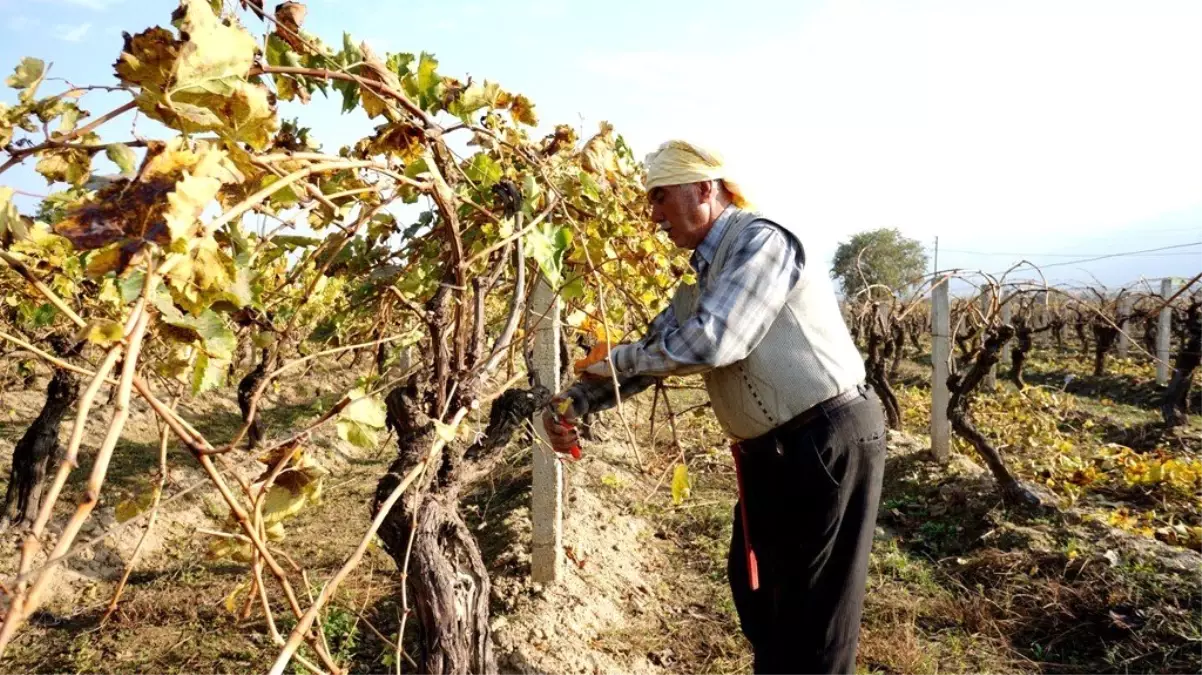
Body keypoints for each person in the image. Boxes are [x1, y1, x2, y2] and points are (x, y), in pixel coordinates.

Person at [542, 140, 887, 674]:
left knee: (816, 616)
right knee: (759, 598)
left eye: (660, 199)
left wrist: (616, 359)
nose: (653, 216)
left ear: (705, 188)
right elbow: (654, 353)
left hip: (827, 437)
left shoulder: (761, 242)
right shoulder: (703, 272)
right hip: (773, 451)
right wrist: (576, 401)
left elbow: (712, 343)